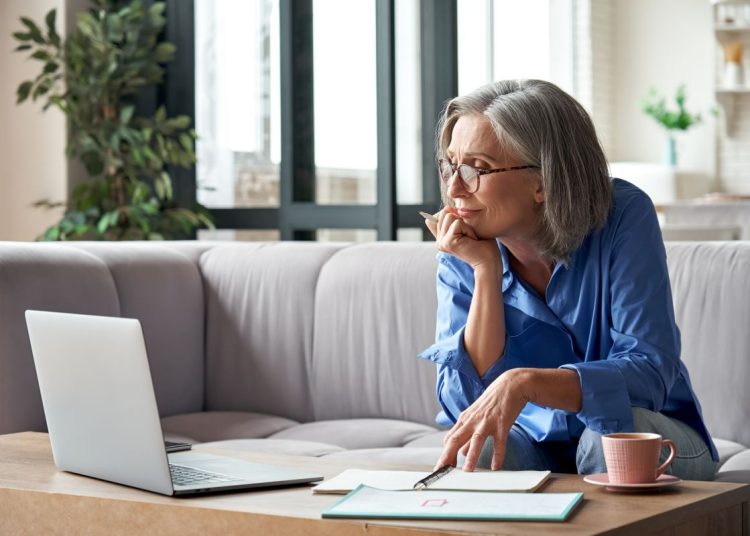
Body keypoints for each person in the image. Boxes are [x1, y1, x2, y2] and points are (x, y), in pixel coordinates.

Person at [418, 79, 718, 480]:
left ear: (543, 181)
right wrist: (485, 272)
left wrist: (527, 383)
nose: (454, 188)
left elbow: (650, 372)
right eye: (449, 165)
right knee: (481, 448)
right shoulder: (465, 244)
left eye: (477, 169)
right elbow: (465, 405)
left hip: (650, 433)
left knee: (607, 439)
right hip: (535, 442)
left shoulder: (624, 216)